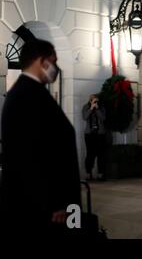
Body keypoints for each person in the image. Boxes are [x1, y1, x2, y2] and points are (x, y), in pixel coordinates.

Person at [0, 39, 81, 238]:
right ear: (40, 61)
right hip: (43, 208)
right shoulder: (25, 95)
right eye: (53, 60)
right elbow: (29, 157)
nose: (55, 67)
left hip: (44, 204)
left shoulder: (31, 92)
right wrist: (57, 203)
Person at [82, 94, 107, 181]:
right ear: (90, 100)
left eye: (97, 100)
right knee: (90, 154)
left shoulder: (101, 107)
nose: (96, 102)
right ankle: (88, 173)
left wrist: (97, 109)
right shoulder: (86, 107)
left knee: (101, 154)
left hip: (100, 134)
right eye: (94, 100)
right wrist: (91, 108)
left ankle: (100, 174)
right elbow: (85, 117)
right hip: (89, 134)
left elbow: (103, 118)